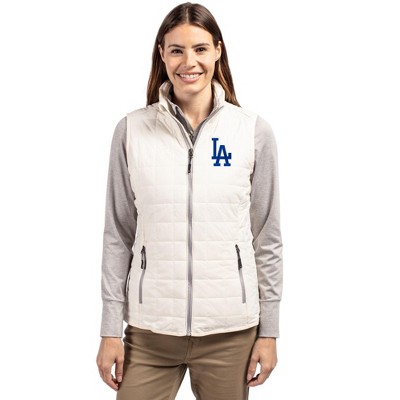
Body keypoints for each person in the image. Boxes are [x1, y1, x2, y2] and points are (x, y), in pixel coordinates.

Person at [96, 2, 283, 399]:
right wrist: (110, 328)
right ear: (162, 55)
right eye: (177, 50)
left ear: (217, 51)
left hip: (230, 333)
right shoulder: (131, 131)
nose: (189, 62)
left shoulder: (252, 132)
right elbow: (118, 235)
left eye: (200, 49)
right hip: (150, 332)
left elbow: (267, 238)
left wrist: (269, 332)